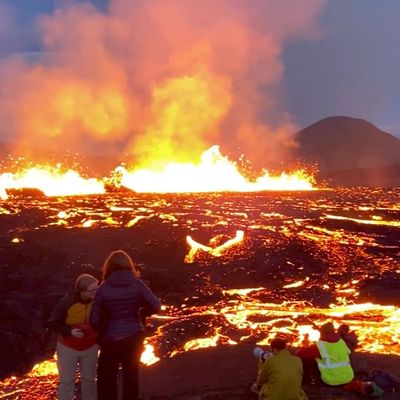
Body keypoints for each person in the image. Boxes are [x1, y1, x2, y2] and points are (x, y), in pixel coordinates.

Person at [90, 250, 161, 400]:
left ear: (108, 267)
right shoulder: (137, 285)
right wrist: (142, 312)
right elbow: (156, 306)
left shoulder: (103, 289)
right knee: (131, 376)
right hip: (134, 335)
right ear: (129, 265)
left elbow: (94, 319)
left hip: (110, 339)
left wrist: (101, 332)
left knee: (106, 377)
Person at [48, 273, 99, 400]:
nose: (96, 291)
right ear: (81, 291)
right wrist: (70, 332)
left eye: (96, 288)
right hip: (68, 348)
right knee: (66, 382)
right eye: (92, 290)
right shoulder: (66, 303)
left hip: (90, 347)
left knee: (89, 381)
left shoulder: (98, 301)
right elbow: (53, 323)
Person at [297, 322, 354, 386]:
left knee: (307, 360)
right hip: (347, 378)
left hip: (330, 380)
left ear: (322, 333)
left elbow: (300, 354)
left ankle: (306, 383)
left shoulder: (321, 346)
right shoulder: (341, 342)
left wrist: (306, 348)